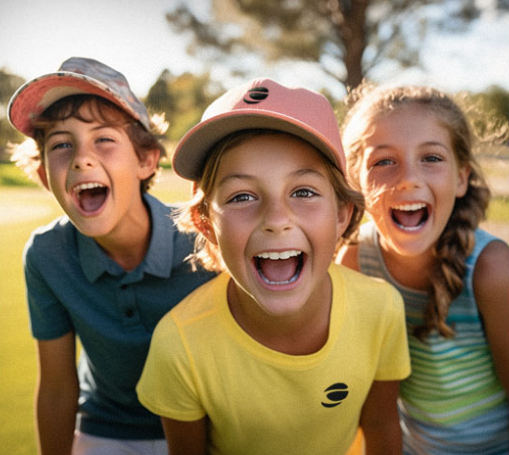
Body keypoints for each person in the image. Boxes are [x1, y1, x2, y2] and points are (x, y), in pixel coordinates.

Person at [136, 78, 411, 455]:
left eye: (303, 192)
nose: (276, 219)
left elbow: (381, 426)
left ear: (342, 215)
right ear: (205, 224)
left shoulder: (381, 309)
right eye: (242, 196)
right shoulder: (179, 344)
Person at [7, 57, 214, 455]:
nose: (82, 158)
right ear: (44, 176)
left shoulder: (203, 241)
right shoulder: (46, 254)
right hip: (104, 426)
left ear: (146, 160)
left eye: (103, 139)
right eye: (62, 145)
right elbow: (56, 386)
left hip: (204, 425)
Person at [336, 83, 509, 454]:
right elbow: (375, 409)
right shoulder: (354, 262)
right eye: (383, 161)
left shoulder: (493, 270)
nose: (409, 177)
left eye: (431, 158)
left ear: (461, 177)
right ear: (354, 181)